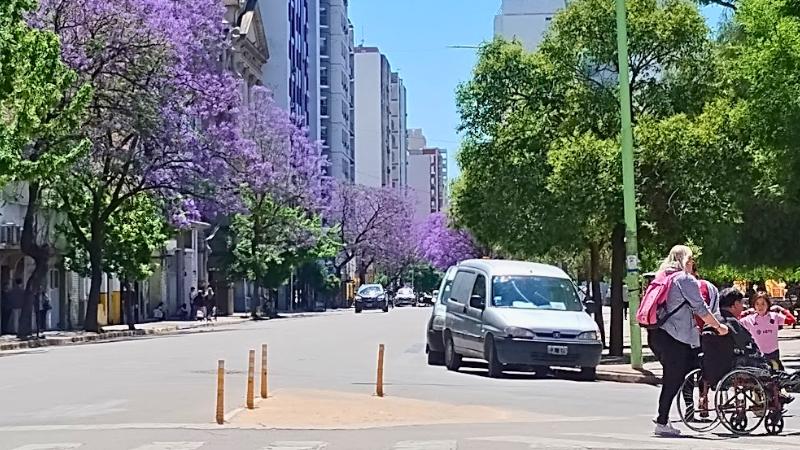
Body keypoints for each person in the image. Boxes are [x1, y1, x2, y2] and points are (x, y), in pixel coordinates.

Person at [648, 245, 729, 437]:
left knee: (680, 373)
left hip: (658, 335)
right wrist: (719, 327)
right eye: (691, 260)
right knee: (674, 377)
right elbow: (701, 308)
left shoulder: (662, 276)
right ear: (685, 260)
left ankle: (664, 415)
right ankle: (662, 420)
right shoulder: (684, 279)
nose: (692, 264)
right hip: (675, 336)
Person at [739, 291, 796, 370]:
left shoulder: (774, 317)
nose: (760, 306)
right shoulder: (750, 319)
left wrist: (780, 308)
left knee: (776, 376)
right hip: (757, 354)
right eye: (757, 304)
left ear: (768, 304)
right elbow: (736, 321)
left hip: (773, 353)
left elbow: (791, 320)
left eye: (763, 303)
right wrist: (746, 312)